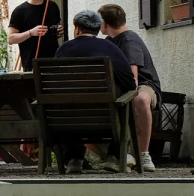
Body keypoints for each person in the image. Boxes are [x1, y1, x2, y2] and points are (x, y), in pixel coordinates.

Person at [52, 9, 139, 173]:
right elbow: (130, 84)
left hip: (70, 121)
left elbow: (54, 85)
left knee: (66, 105)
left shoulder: (63, 50)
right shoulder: (111, 48)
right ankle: (114, 157)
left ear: (77, 28)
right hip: (106, 118)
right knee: (124, 102)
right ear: (98, 29)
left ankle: (74, 159)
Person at [99, 3, 161, 172]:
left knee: (140, 99)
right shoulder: (110, 40)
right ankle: (118, 156)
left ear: (104, 24)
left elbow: (132, 80)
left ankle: (143, 154)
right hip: (120, 86)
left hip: (143, 85)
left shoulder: (129, 40)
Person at [8, 0, 63, 71]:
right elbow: (11, 39)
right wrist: (31, 33)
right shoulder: (20, 11)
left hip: (53, 61)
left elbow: (56, 31)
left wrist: (59, 31)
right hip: (32, 63)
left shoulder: (52, 6)